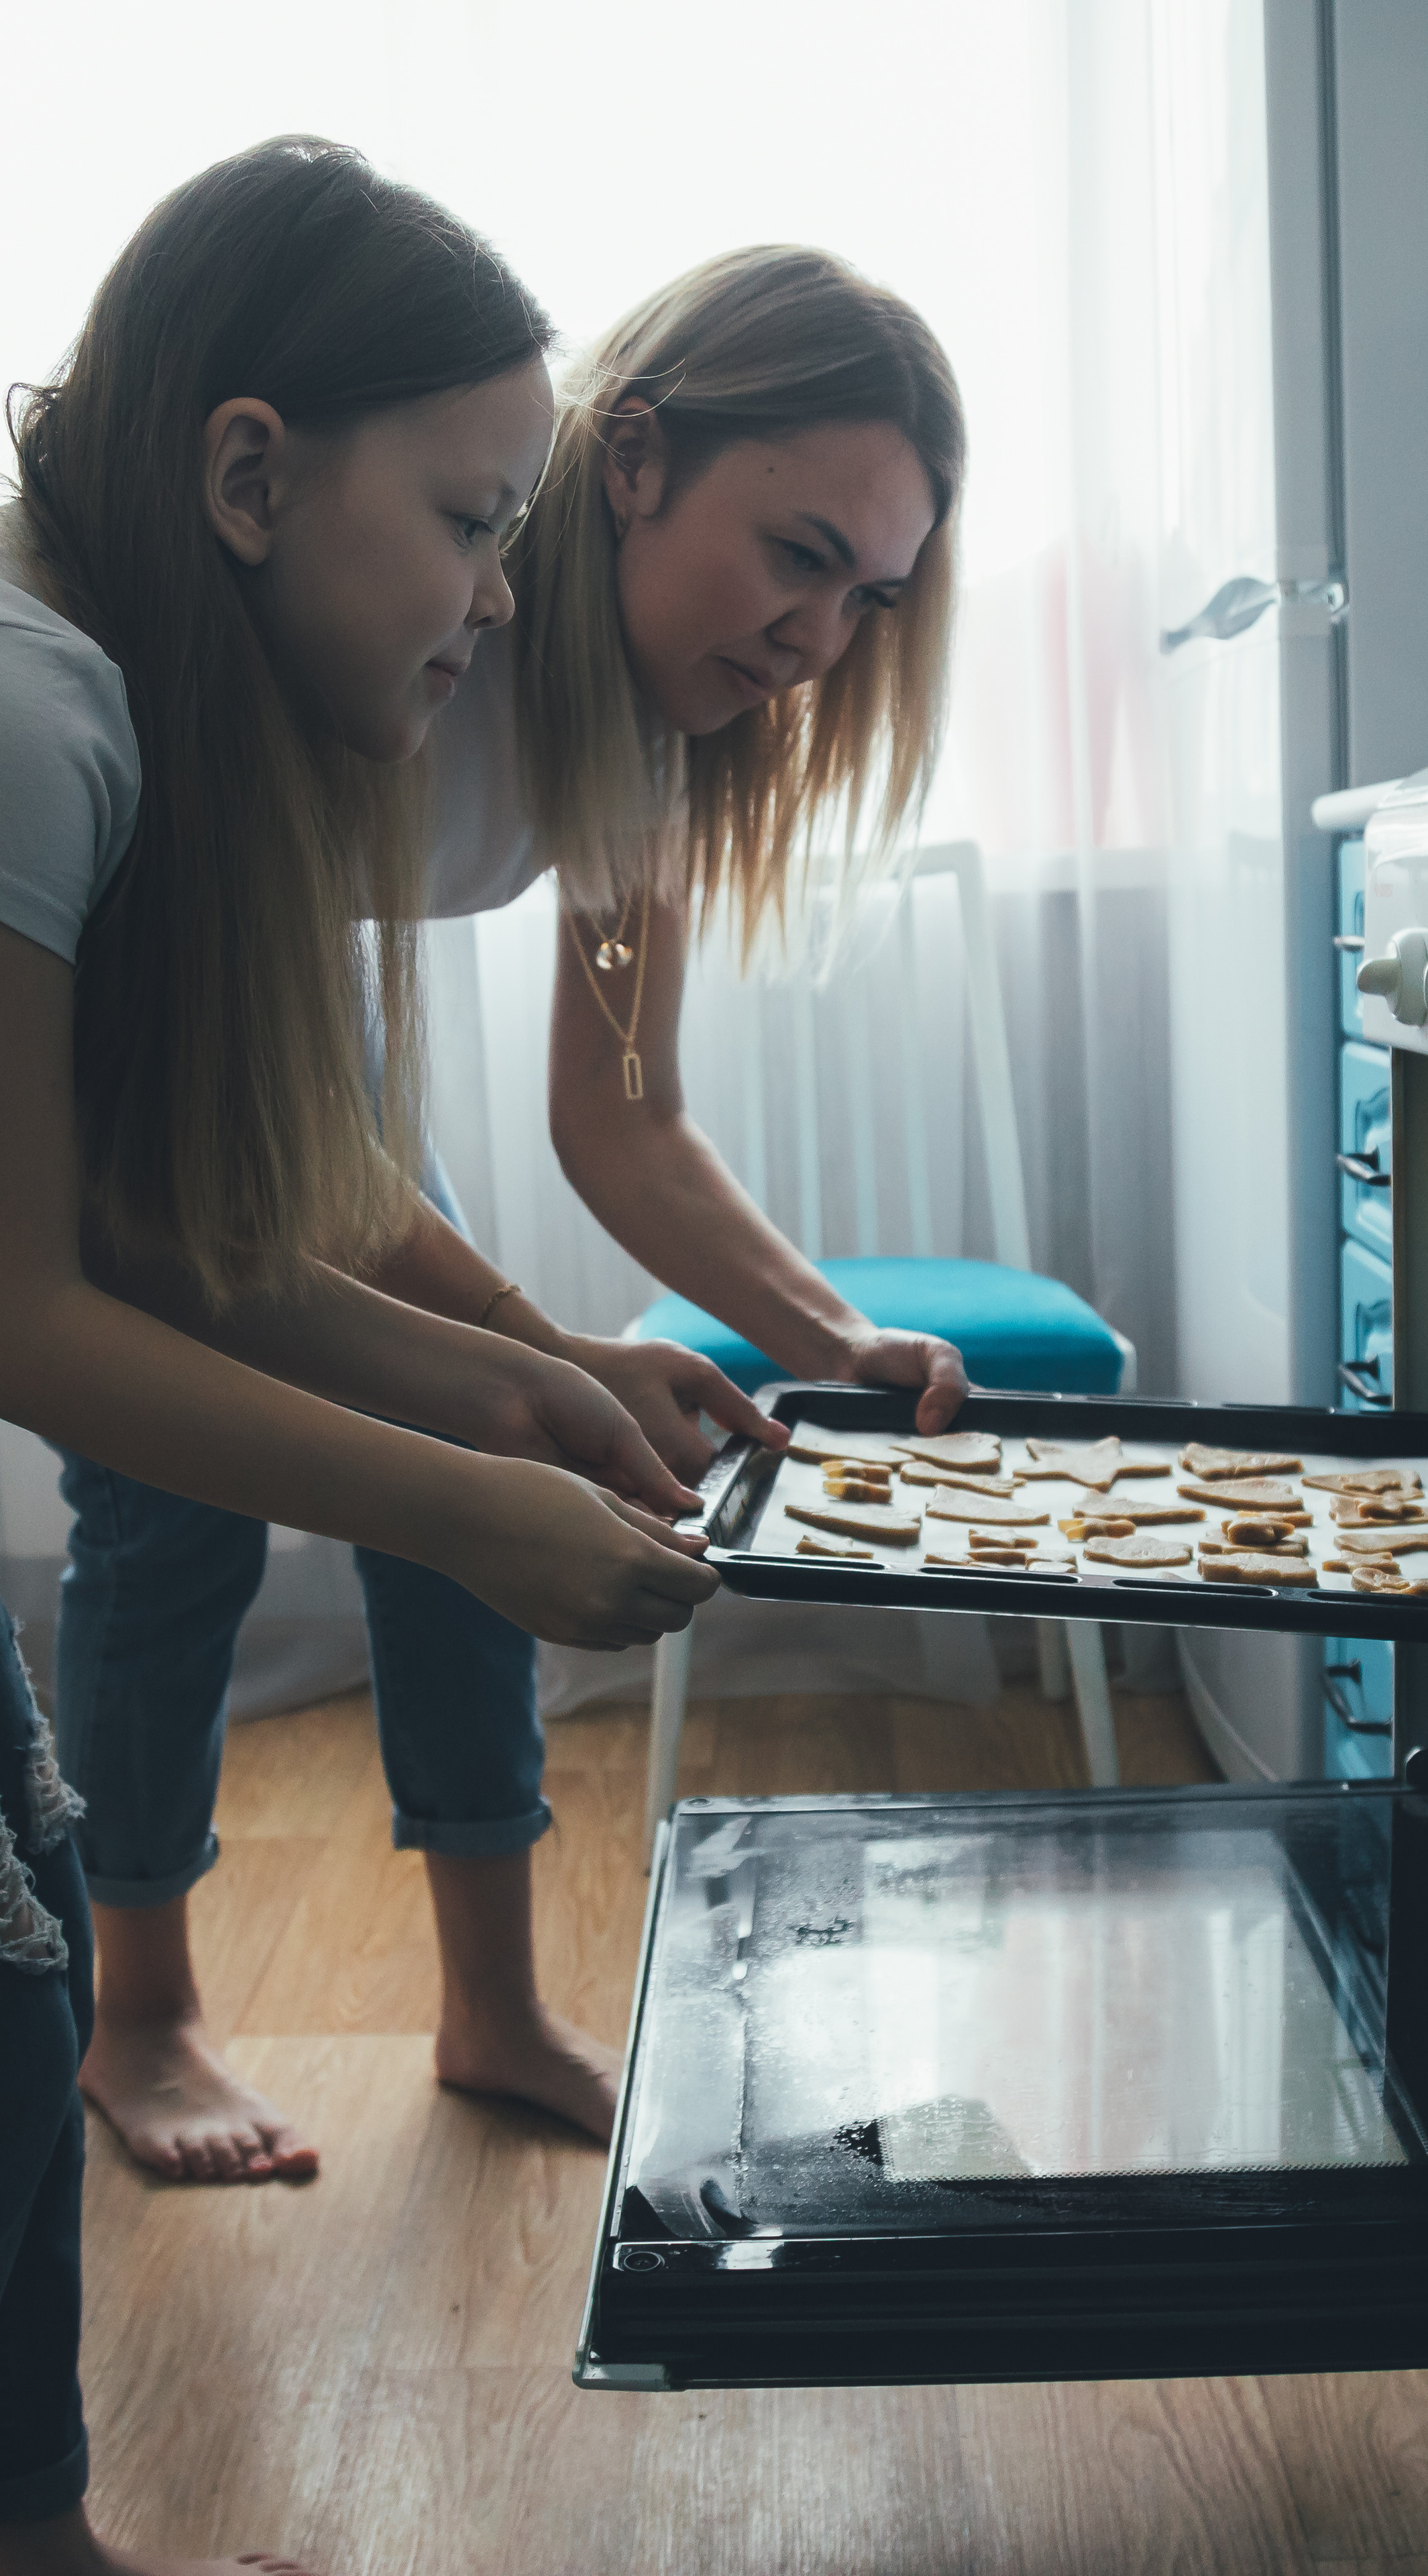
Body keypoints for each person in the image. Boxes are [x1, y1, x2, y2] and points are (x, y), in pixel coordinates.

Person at [58, 247, 974, 2188]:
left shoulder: (652, 740)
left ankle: (495, 2005)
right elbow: (192, 1153)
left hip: (303, 1048)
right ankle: (135, 2009)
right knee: (173, 1510)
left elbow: (625, 1120)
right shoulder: (352, 621)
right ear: (628, 459)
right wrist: (522, 1355)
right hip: (181, 1016)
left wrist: (828, 1341)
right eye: (796, 554)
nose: (821, 635)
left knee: (497, 1457)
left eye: (868, 599)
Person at [0, 138, 722, 2576]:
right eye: (469, 515)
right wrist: (468, 1488)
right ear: (245, 476)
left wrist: (529, 1385)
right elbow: (33, 1317)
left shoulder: (132, 720)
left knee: (13, 1989)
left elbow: (179, 1229)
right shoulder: (37, 717)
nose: (495, 594)